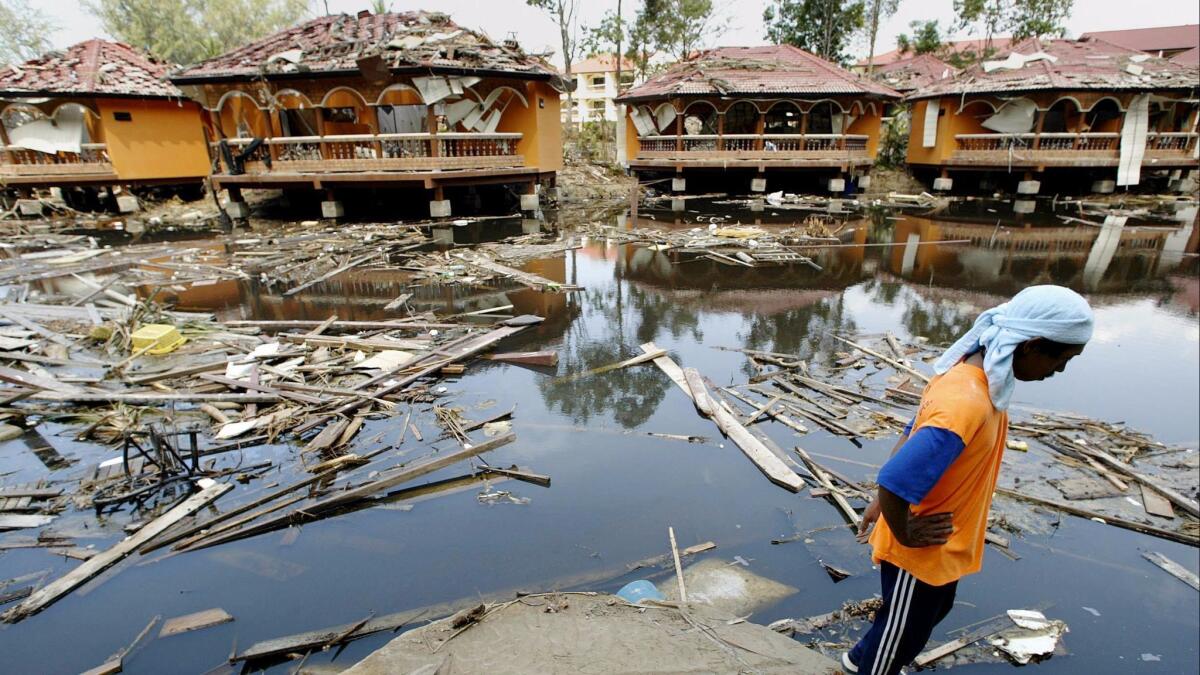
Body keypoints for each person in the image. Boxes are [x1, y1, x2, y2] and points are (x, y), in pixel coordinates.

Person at [843, 285, 1094, 675]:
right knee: (902, 635)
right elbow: (893, 479)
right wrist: (904, 531)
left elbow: (913, 428)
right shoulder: (967, 402)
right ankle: (870, 665)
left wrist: (881, 503)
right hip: (920, 551)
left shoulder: (974, 378)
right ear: (1031, 346)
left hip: (946, 542)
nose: (1059, 370)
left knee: (926, 615)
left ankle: (858, 658)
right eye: (1061, 359)